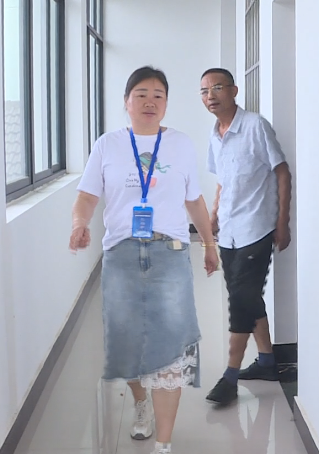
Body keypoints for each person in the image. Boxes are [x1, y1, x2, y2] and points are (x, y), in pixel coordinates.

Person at [69, 66, 219, 454]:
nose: (150, 101)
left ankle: (163, 444)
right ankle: (141, 403)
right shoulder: (108, 145)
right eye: (141, 94)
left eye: (158, 95)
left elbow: (194, 200)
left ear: (166, 103)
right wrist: (79, 222)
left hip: (169, 253)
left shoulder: (181, 144)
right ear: (126, 102)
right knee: (128, 342)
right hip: (121, 254)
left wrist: (209, 243)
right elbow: (87, 195)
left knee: (170, 347)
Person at [198, 68, 293, 407]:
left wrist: (283, 221)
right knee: (248, 298)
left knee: (241, 302)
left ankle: (230, 377)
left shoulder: (255, 126)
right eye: (204, 91)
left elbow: (282, 171)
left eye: (217, 88)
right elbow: (222, 182)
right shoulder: (214, 135)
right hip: (229, 233)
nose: (210, 95)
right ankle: (267, 362)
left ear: (234, 90)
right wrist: (213, 217)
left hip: (256, 228)